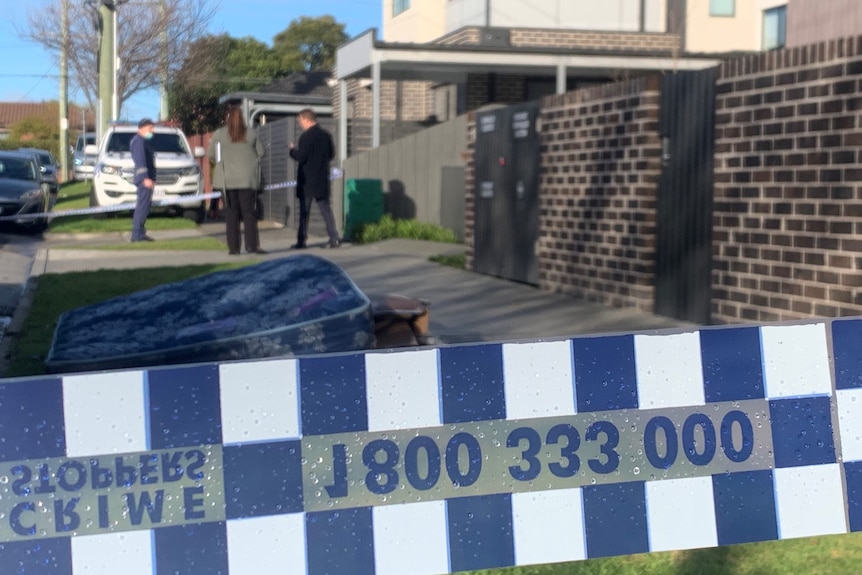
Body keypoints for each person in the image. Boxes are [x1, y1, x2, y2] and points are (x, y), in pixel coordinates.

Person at [208, 106, 266, 255]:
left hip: (227, 181)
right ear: (242, 118)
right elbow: (261, 153)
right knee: (248, 214)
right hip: (247, 180)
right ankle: (252, 246)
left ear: (228, 118)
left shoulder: (220, 134)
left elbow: (211, 155)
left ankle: (233, 248)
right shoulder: (251, 134)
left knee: (231, 214)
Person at [289, 108, 341, 249]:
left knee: (304, 213)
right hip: (322, 178)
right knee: (325, 210)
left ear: (306, 119)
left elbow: (301, 157)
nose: (300, 123)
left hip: (307, 180)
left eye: (300, 120)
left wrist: (292, 150)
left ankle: (301, 241)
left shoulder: (306, 137)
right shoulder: (326, 135)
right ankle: (334, 238)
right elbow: (331, 155)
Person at [130, 118, 156, 242]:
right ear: (142, 128)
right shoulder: (138, 142)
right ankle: (137, 235)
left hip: (147, 179)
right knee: (142, 207)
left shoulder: (143, 141)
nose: (152, 131)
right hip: (144, 180)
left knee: (145, 207)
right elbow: (140, 162)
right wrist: (145, 178)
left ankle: (140, 232)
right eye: (150, 128)